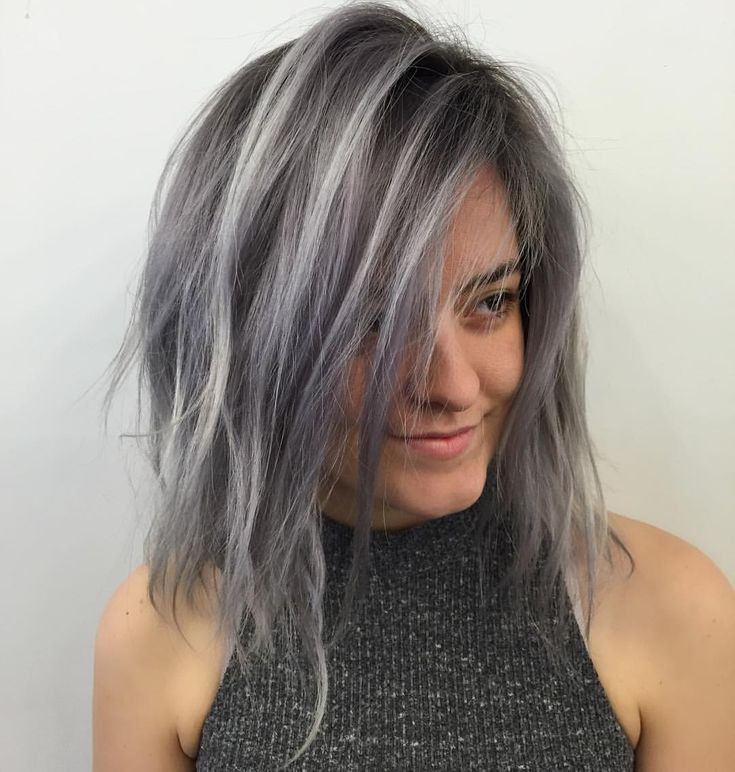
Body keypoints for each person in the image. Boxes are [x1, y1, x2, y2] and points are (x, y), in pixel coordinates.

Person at [92, 2, 735, 769]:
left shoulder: (671, 607)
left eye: (490, 302)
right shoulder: (161, 629)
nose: (454, 386)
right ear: (248, 336)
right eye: (373, 322)